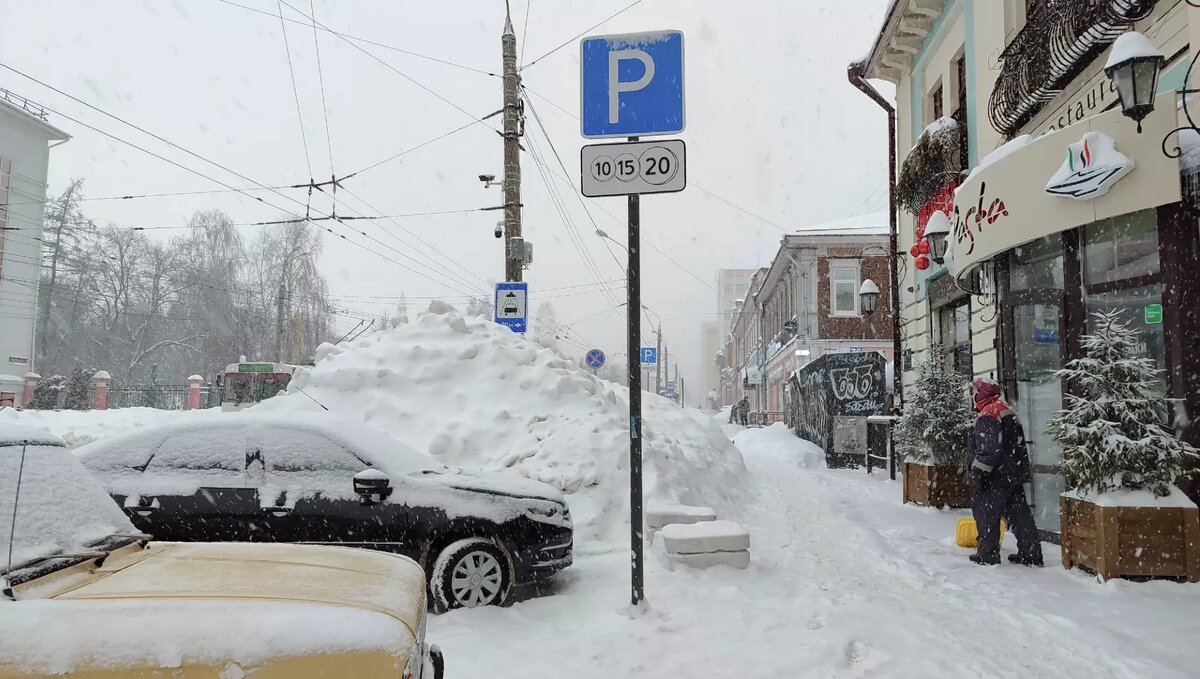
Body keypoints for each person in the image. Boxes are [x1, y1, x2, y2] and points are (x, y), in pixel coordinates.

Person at [966, 377, 1043, 567]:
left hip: (995, 476)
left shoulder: (988, 414)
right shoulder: (1006, 409)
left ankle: (987, 554)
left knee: (986, 513)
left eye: (974, 391)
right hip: (1013, 473)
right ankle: (1031, 552)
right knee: (1019, 514)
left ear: (982, 394)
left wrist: (977, 473)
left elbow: (989, 450)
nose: (972, 395)